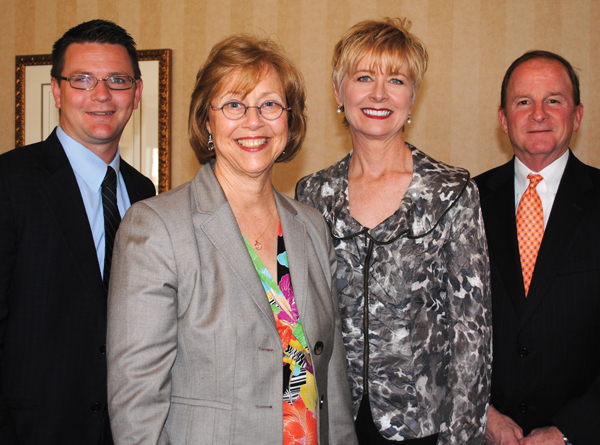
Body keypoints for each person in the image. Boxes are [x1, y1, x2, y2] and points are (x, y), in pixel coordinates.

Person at [106, 34, 357, 445]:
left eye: (270, 104)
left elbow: (332, 379)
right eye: (234, 105)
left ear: (289, 119)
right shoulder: (156, 227)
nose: (253, 121)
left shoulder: (311, 227)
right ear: (207, 120)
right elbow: (137, 406)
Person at [296, 17, 491, 445]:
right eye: (364, 77)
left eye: (396, 80)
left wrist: (462, 437)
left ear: (412, 95)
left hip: (425, 427)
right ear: (338, 92)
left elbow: (472, 335)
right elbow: (303, 322)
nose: (379, 94)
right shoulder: (312, 194)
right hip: (332, 420)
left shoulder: (451, 192)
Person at [0, 19, 155, 444]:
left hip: (125, 427)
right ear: (57, 90)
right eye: (83, 79)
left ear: (136, 93)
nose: (101, 94)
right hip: (32, 429)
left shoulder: (144, 193)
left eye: (117, 80)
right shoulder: (11, 180)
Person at [475, 51, 599, 445]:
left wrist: (570, 430)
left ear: (577, 115)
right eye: (524, 101)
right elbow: (440, 323)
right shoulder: (465, 201)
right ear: (503, 119)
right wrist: (482, 414)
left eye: (554, 100)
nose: (539, 114)